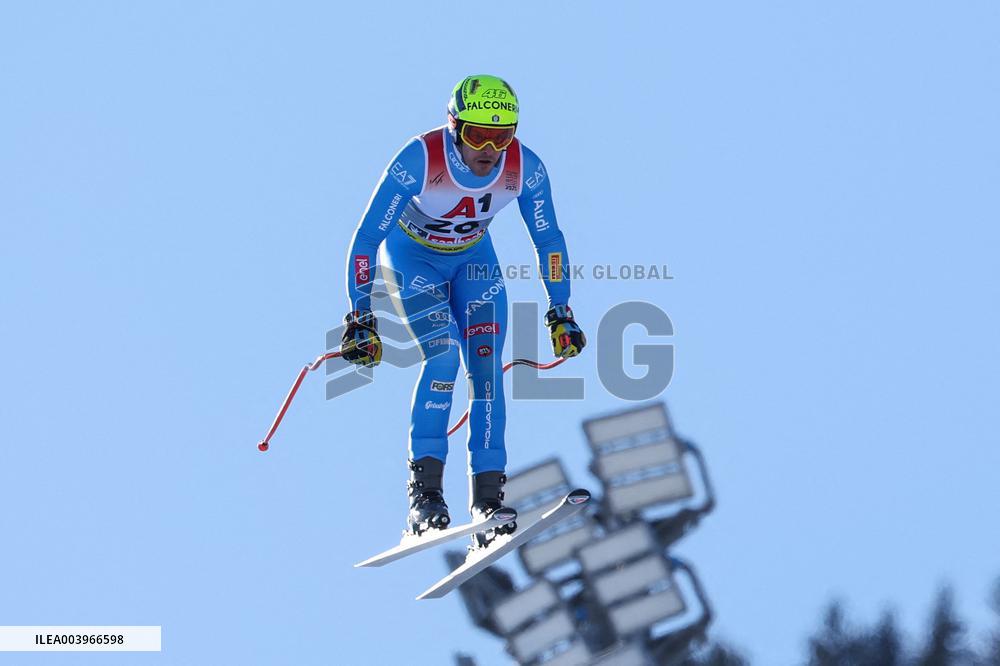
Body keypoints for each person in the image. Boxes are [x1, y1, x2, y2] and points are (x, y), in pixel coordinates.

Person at [340, 75, 586, 542]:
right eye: (478, 135)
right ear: (454, 127)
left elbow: (549, 238)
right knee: (443, 357)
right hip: (414, 262)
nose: (489, 149)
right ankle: (424, 497)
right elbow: (367, 238)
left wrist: (561, 310)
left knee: (487, 369)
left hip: (475, 265)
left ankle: (487, 501)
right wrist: (360, 316)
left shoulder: (523, 168)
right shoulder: (421, 158)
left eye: (502, 135)